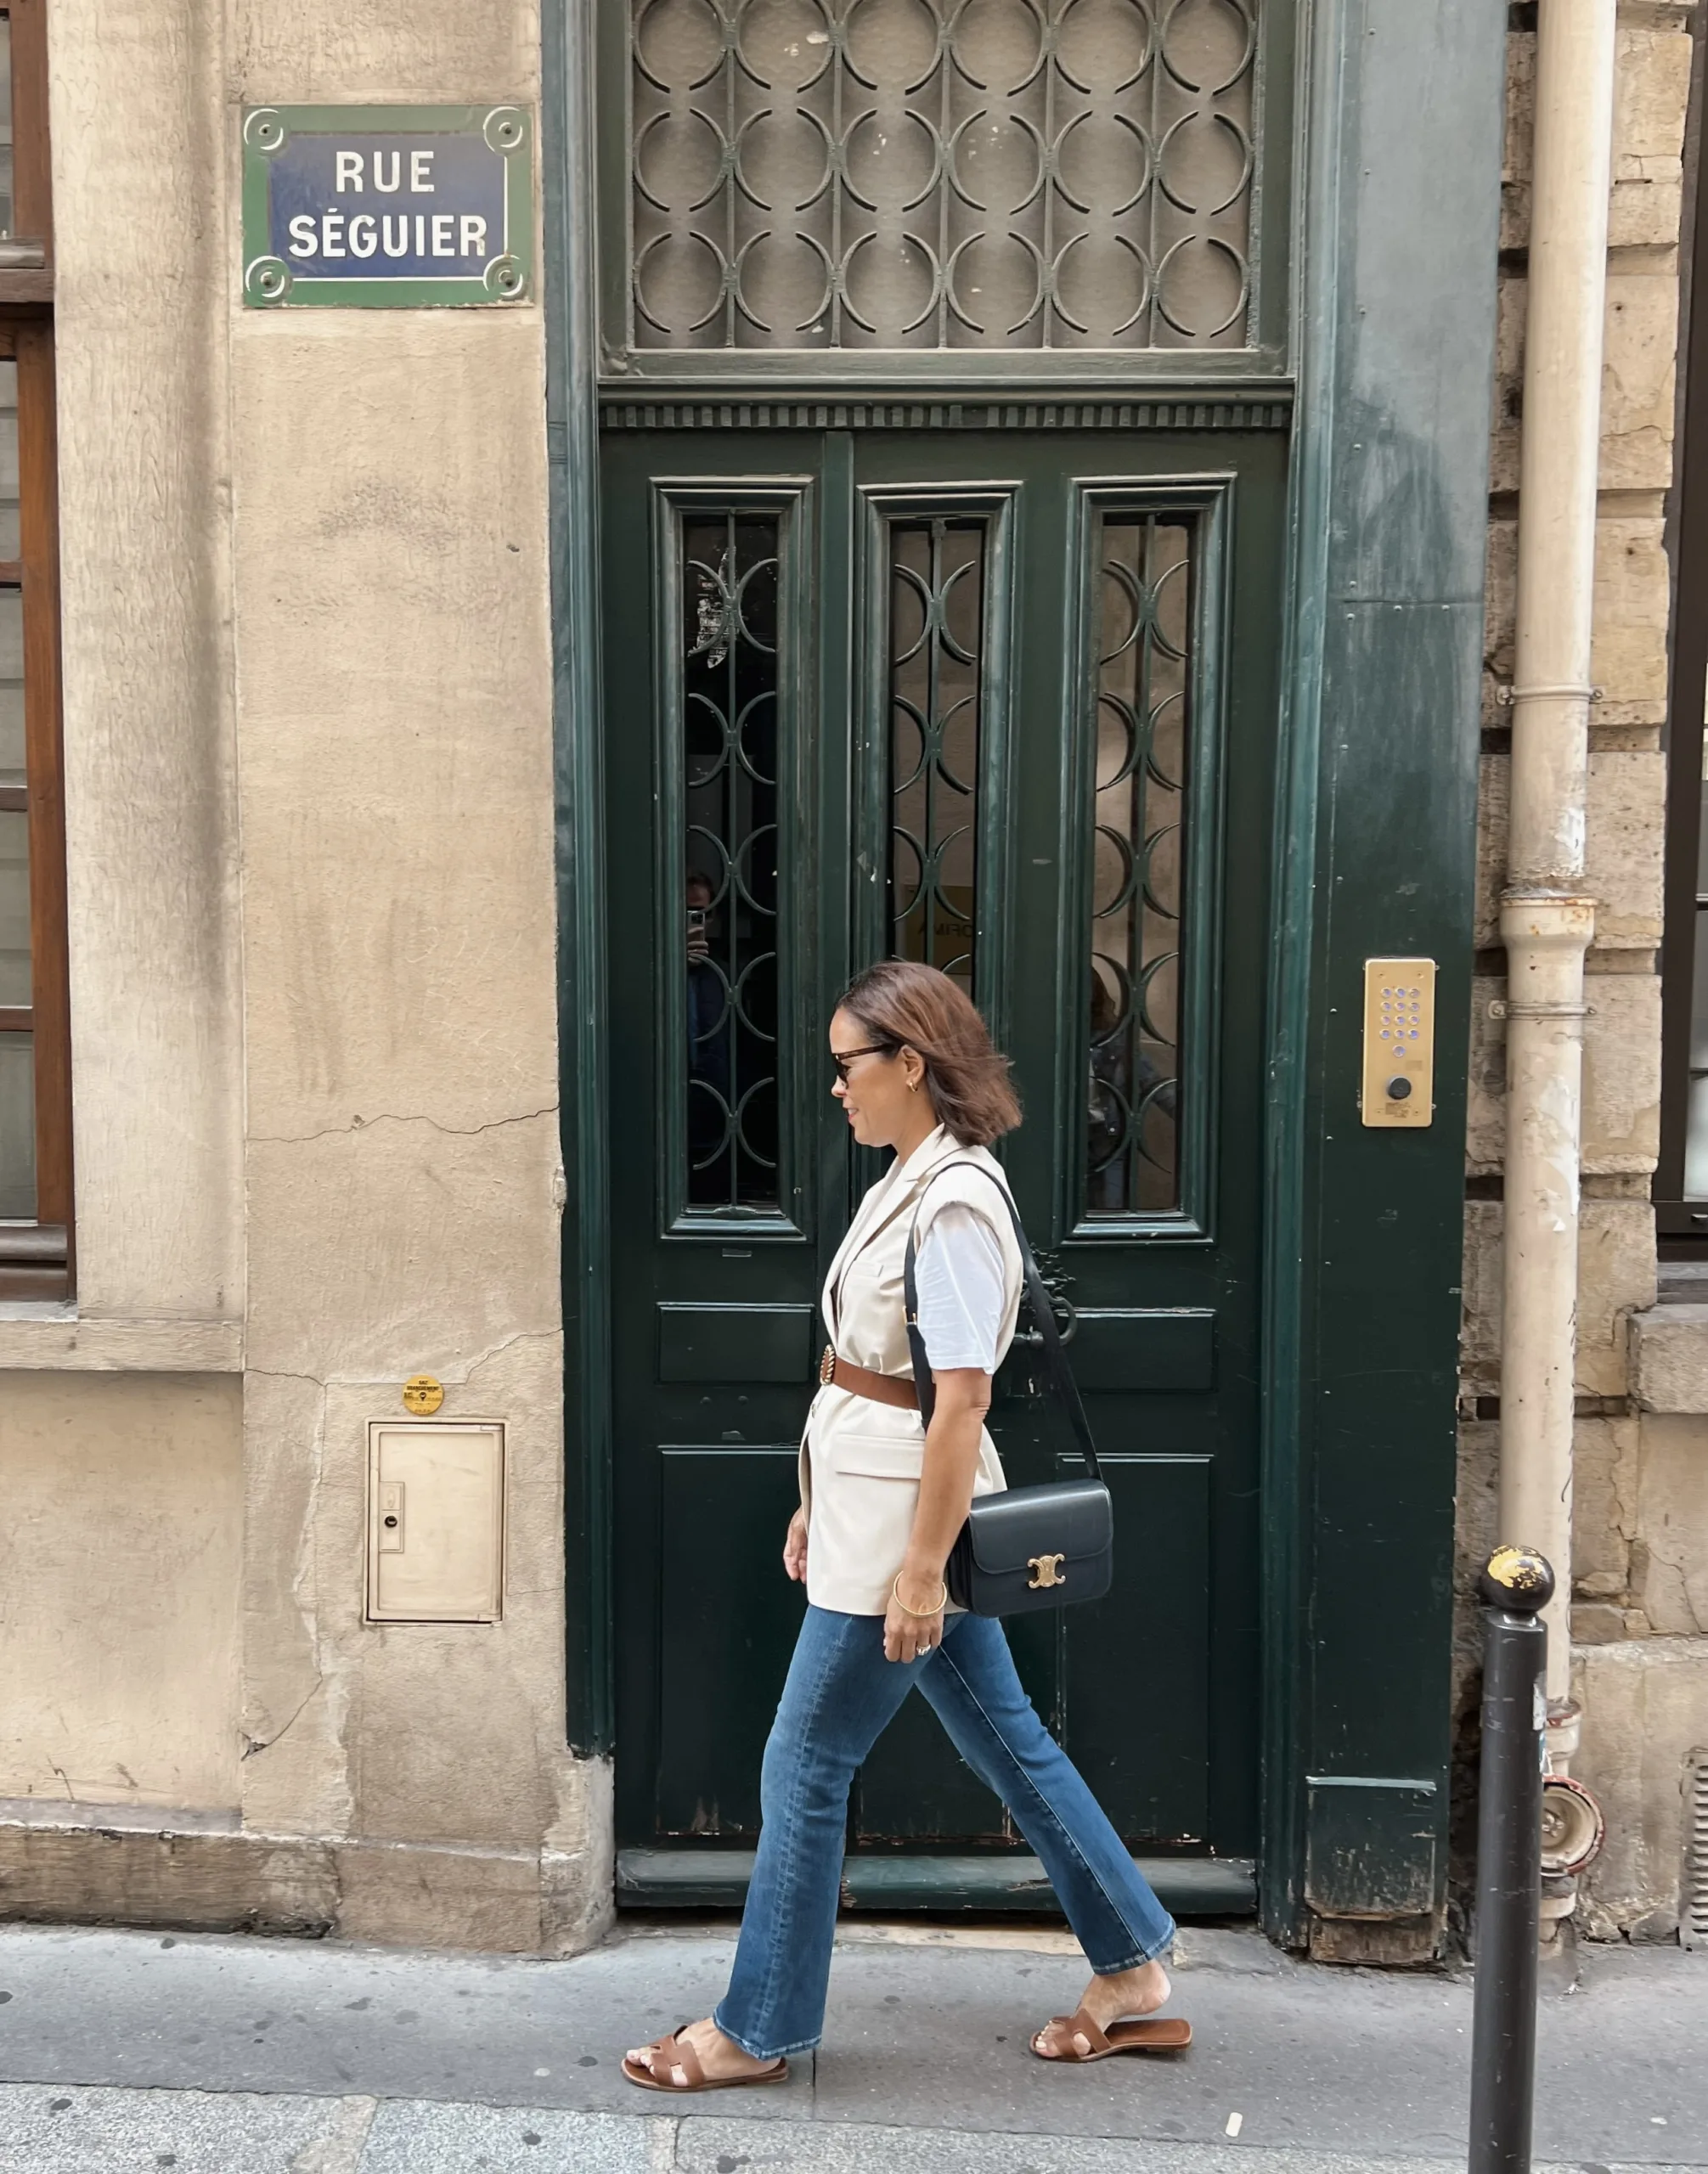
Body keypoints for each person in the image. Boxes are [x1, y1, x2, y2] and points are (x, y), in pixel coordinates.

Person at [623, 960, 1187, 2092]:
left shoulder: (956, 1204)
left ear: (911, 1066)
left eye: (848, 1067)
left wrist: (920, 1570)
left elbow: (960, 1398)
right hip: (871, 1506)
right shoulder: (907, 1182)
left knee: (806, 1761)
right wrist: (812, 1501)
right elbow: (866, 1375)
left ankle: (758, 2029)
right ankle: (1130, 1967)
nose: (835, 1088)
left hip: (901, 1531)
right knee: (1003, 1738)